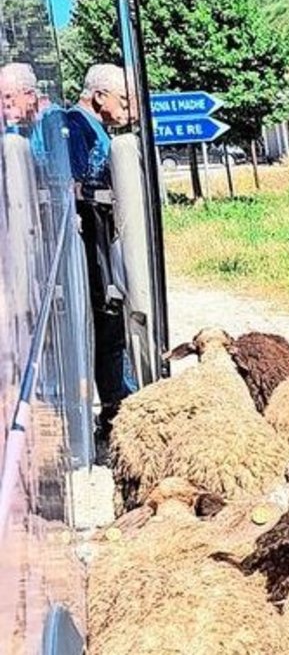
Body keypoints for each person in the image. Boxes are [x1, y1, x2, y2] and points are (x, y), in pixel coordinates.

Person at [65, 62, 138, 442]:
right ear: (98, 96)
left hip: (102, 242)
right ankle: (115, 405)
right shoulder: (73, 127)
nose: (129, 109)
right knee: (106, 321)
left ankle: (117, 400)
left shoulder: (97, 130)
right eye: (124, 100)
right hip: (90, 247)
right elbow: (75, 188)